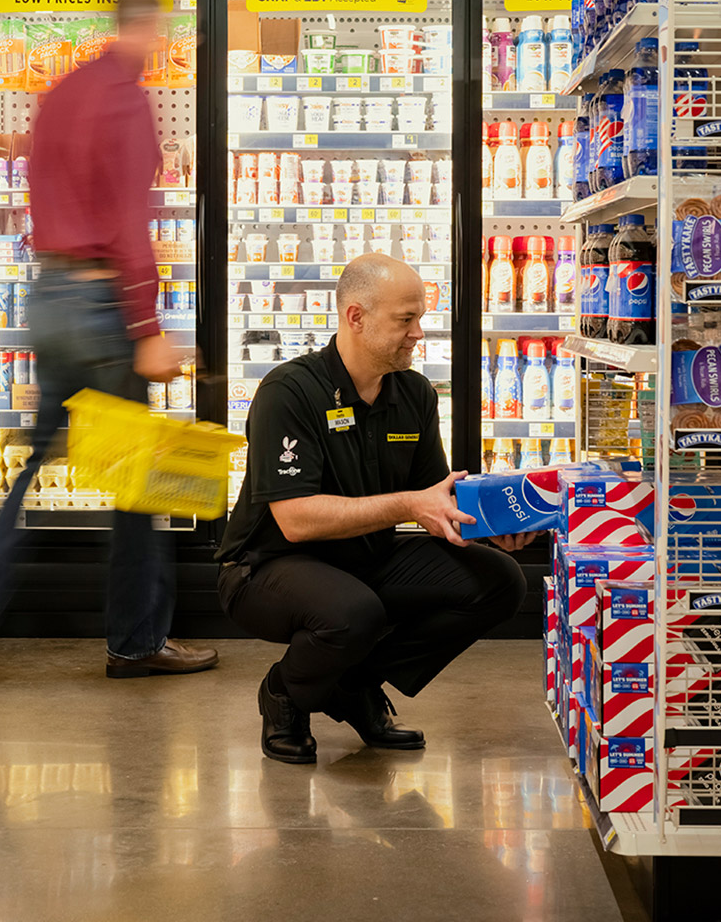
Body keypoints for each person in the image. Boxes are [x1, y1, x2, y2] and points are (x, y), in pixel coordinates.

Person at [0, 0, 218, 689]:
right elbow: (126, 222)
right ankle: (136, 639)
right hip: (100, 306)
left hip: (50, 293)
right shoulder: (125, 98)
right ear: (148, 26)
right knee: (137, 481)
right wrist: (148, 326)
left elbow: (38, 184)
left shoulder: (60, 91)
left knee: (31, 464)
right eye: (166, 32)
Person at [217, 253, 530, 763]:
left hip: (363, 559)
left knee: (501, 579)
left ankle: (352, 685)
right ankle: (284, 694)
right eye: (405, 320)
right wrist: (408, 503)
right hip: (266, 569)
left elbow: (435, 496)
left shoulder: (413, 394)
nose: (418, 333)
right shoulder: (289, 392)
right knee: (351, 613)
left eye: (421, 318)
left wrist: (495, 522)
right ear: (355, 317)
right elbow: (295, 521)